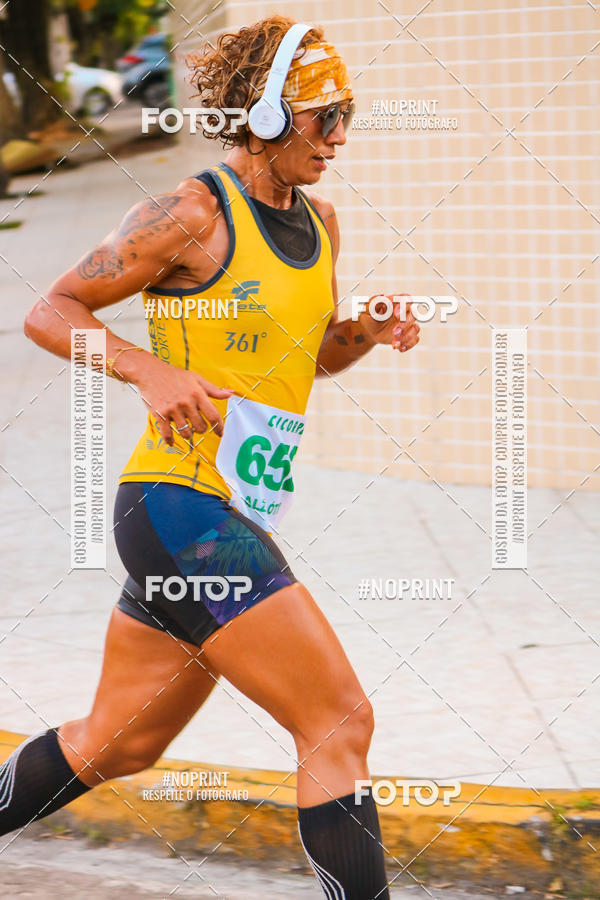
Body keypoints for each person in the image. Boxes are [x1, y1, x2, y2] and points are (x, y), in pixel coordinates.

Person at [5, 15, 419, 899]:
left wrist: (365, 333)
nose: (340, 135)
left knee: (118, 743)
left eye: (348, 113)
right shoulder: (189, 214)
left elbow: (308, 358)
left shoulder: (322, 222)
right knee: (339, 723)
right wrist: (146, 367)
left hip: (223, 515)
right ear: (265, 112)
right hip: (181, 507)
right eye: (322, 116)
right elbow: (52, 312)